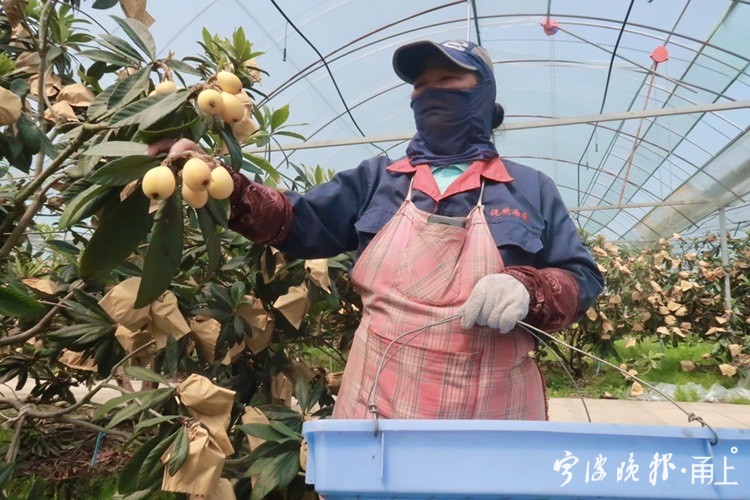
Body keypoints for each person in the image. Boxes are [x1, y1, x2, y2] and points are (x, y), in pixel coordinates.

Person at [152, 40, 604, 421]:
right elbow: (295, 222)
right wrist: (218, 183)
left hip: (491, 410)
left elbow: (581, 276)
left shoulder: (529, 189)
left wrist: (532, 288)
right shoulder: (378, 180)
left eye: (447, 81)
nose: (430, 92)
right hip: (382, 401)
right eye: (421, 85)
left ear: (483, 94)